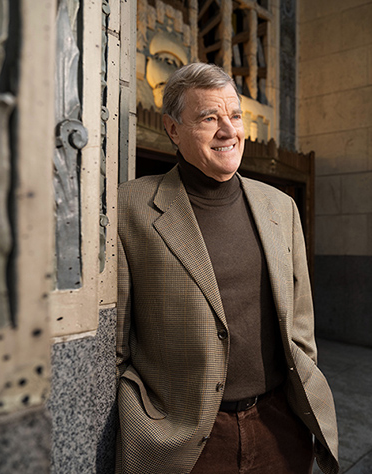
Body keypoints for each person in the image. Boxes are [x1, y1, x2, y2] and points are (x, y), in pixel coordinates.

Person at [116, 62, 339, 474]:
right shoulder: (130, 208)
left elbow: (301, 322)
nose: (228, 130)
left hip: (280, 430)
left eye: (234, 116)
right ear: (172, 129)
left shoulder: (279, 207)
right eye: (208, 117)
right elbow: (116, 346)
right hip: (185, 442)